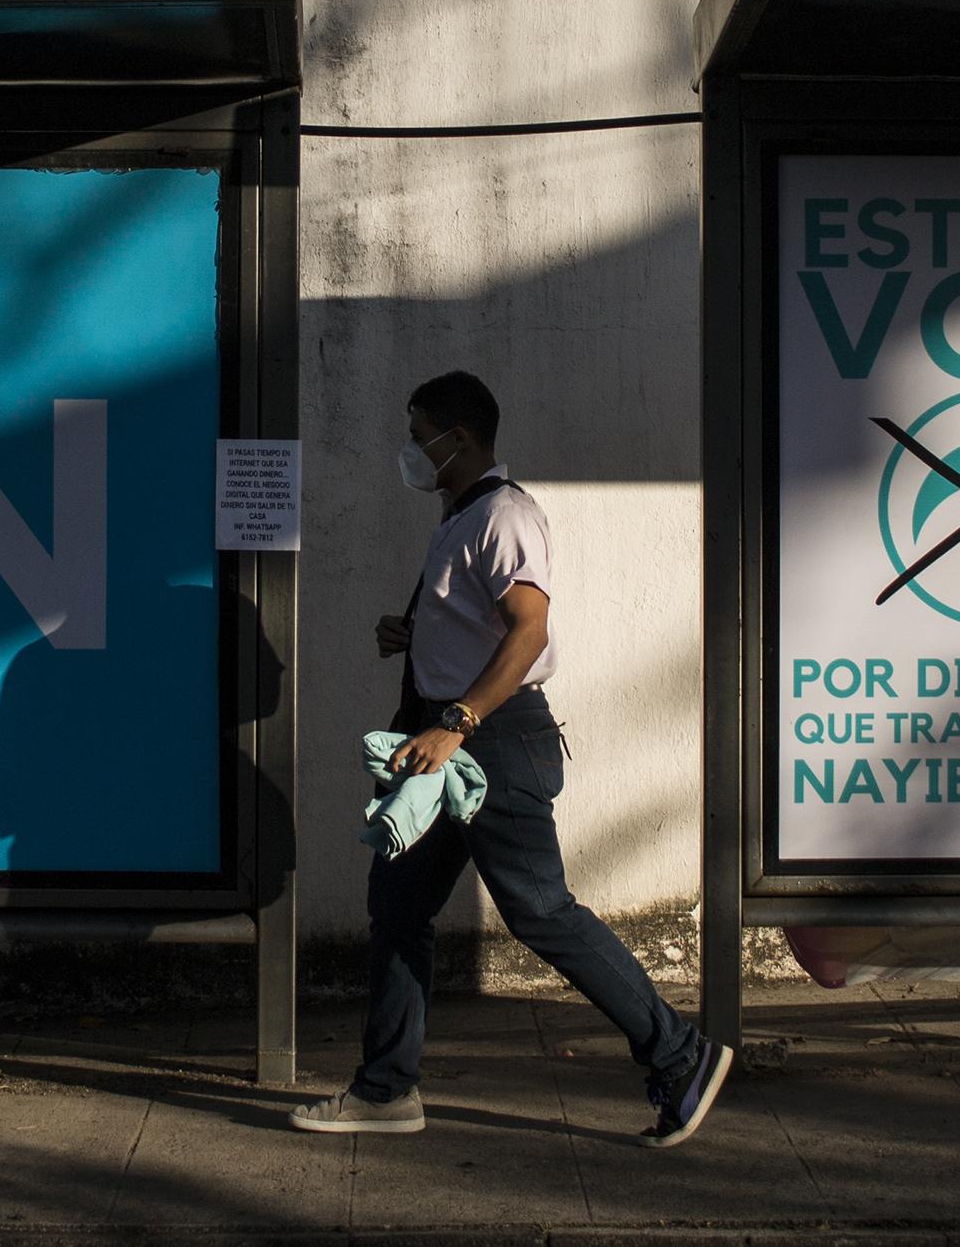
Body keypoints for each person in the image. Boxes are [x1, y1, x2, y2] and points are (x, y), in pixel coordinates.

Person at [289, 371, 732, 1148]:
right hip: (448, 744)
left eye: (418, 430)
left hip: (486, 742)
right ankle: (387, 1090)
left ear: (458, 439)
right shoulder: (461, 517)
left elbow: (528, 630)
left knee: (540, 911)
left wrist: (457, 720)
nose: (410, 446)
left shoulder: (505, 514)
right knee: (398, 908)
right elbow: (482, 622)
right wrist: (418, 634)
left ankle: (681, 1054)